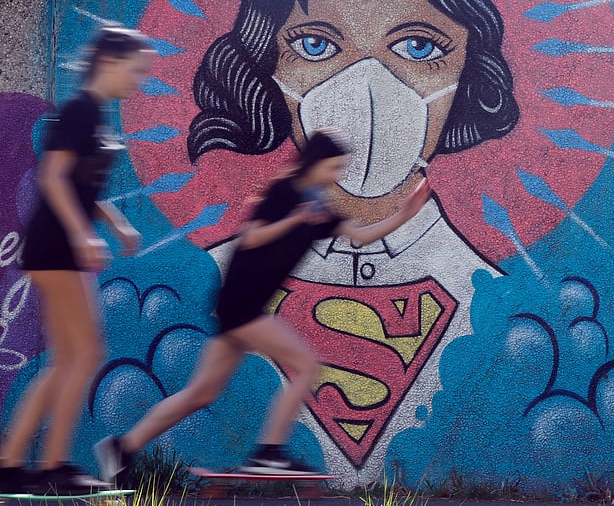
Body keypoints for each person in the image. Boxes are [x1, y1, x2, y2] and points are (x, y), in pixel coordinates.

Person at [175, 0, 519, 483]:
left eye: (418, 47)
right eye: (314, 45)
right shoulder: (267, 226)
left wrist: (408, 210)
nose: (364, 90)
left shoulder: (492, 297)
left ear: (469, 75)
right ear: (265, 65)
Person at [94, 128, 430, 481]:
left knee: (200, 393)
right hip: (242, 303)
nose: (337, 175)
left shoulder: (317, 206)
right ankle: (269, 452)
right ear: (315, 164)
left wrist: (408, 212)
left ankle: (121, 449)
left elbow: (362, 236)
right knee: (306, 365)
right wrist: (294, 220)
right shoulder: (285, 193)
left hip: (241, 307)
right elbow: (252, 236)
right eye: (333, 167)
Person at [0, 26, 151, 494]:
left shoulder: (93, 115)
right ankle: (47, 465)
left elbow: (82, 186)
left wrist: (113, 222)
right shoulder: (80, 111)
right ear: (109, 62)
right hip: (57, 249)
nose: (139, 78)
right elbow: (54, 177)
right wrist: (84, 233)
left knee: (71, 359)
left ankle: (21, 462)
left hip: (62, 248)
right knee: (81, 355)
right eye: (135, 68)